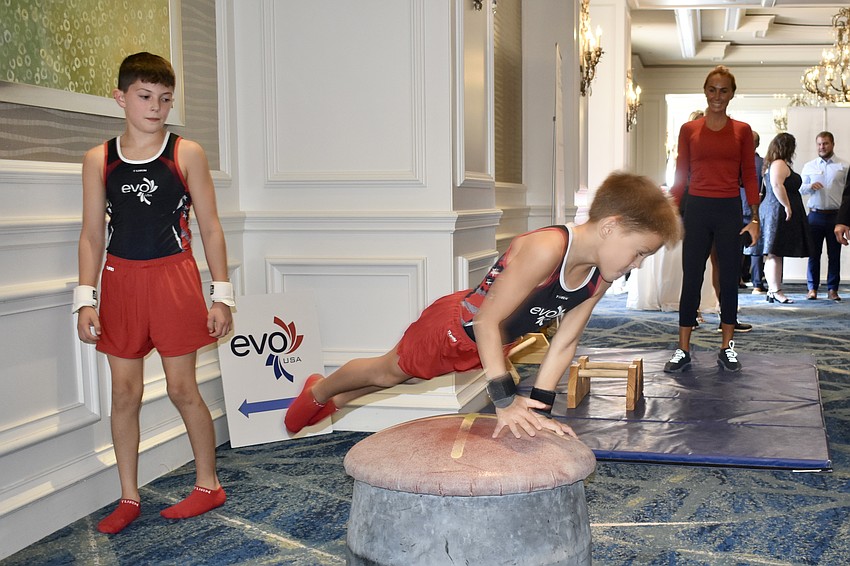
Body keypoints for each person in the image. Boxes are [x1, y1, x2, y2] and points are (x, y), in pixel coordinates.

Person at [285, 173, 681, 439]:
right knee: (388, 372)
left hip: (490, 347)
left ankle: (336, 400)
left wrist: (539, 412)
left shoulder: (598, 279)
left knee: (406, 379)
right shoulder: (548, 248)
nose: (638, 265)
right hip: (453, 330)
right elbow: (488, 319)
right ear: (610, 227)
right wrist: (506, 402)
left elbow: (564, 343)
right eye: (638, 252)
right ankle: (320, 389)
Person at [75, 52, 234, 534]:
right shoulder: (98, 159)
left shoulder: (186, 153)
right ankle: (129, 496)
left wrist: (222, 294)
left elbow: (210, 226)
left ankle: (208, 485)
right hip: (120, 282)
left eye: (165, 99)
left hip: (174, 279)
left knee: (183, 388)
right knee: (124, 393)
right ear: (121, 98)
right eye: (145, 97)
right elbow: (90, 234)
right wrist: (85, 297)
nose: (156, 107)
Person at [664, 65, 760, 374]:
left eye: (724, 90)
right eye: (712, 89)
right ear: (705, 91)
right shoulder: (689, 130)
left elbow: (748, 173)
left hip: (729, 209)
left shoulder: (742, 130)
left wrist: (755, 217)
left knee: (729, 277)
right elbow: (681, 175)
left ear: (732, 94)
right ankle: (683, 349)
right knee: (691, 277)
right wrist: (672, 212)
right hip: (697, 208)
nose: (717, 96)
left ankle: (727, 348)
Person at [759, 132, 812, 304]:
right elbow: (776, 185)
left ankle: (773, 289)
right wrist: (787, 206)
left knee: (773, 252)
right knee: (775, 252)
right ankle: (776, 290)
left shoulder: (772, 163)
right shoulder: (779, 163)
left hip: (772, 209)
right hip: (776, 211)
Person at [800, 131, 847, 301]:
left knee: (834, 254)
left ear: (832, 144)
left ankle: (832, 289)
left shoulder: (844, 166)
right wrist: (810, 186)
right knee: (813, 253)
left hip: (836, 217)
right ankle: (812, 288)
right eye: (819, 144)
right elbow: (800, 188)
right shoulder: (809, 166)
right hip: (815, 216)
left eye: (825, 143)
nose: (822, 147)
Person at [746, 131, 768, 294]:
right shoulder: (736, 160)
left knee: (755, 247)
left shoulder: (763, 163)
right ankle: (751, 281)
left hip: (755, 208)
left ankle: (756, 282)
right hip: (734, 207)